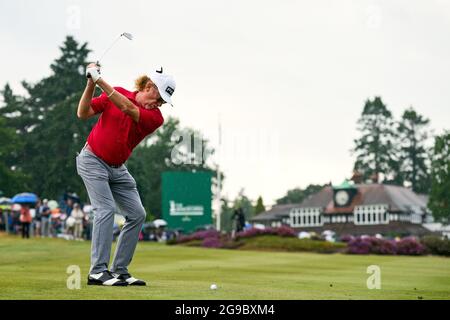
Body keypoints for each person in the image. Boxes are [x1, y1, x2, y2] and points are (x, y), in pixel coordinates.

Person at [76, 63, 175, 286]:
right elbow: (82, 113)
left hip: (118, 168)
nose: (159, 105)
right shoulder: (117, 92)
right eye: (159, 99)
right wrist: (91, 83)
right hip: (92, 160)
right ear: (149, 87)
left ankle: (119, 270)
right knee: (105, 209)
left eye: (162, 103)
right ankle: (98, 272)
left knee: (137, 213)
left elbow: (128, 109)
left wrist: (99, 79)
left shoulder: (155, 118)